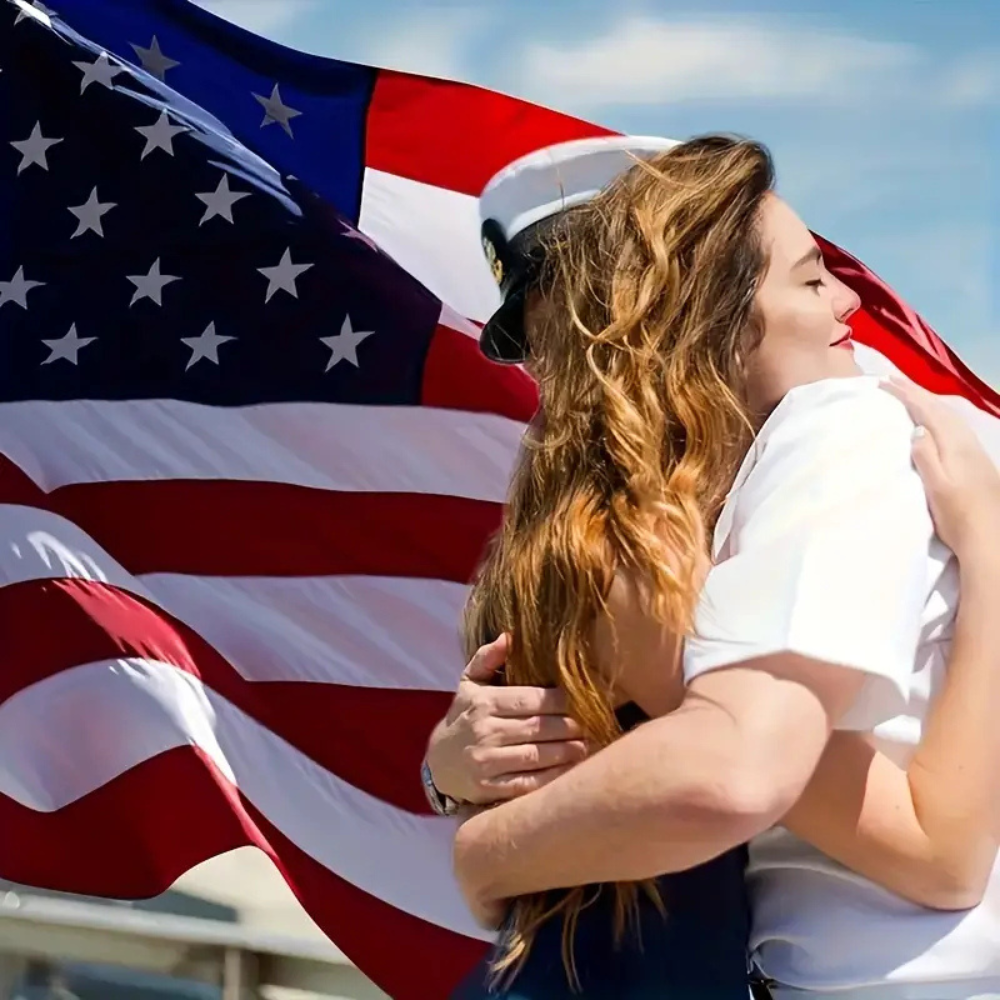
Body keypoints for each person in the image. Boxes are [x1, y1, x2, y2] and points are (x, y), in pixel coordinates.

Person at [425, 134, 1000, 1000]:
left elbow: (912, 841)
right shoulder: (639, 542)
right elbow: (910, 840)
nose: (849, 298)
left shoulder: (826, 435)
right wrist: (451, 781)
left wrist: (477, 846)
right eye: (810, 277)